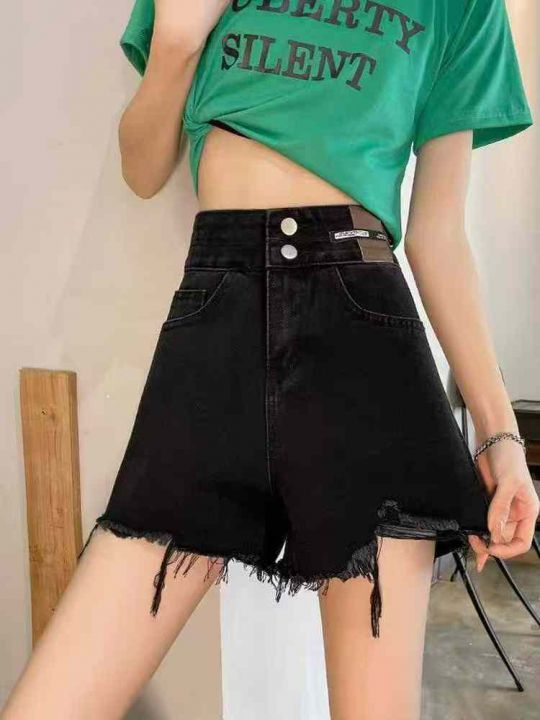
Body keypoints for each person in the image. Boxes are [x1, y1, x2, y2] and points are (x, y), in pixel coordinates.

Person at [4, 1, 538, 719]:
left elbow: (438, 234)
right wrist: (177, 44)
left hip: (363, 337)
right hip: (215, 324)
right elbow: (142, 168)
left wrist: (501, 437)